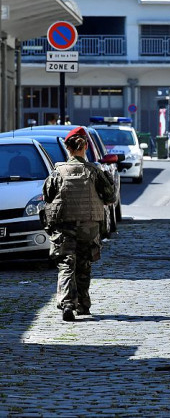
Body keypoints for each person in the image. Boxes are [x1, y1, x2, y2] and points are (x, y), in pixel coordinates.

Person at [43, 127, 116, 321]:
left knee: (67, 264)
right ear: (85, 148)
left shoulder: (57, 172)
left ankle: (67, 303)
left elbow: (48, 196)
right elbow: (110, 196)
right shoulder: (94, 171)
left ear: (68, 149)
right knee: (84, 264)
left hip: (64, 226)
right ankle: (83, 305)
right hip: (89, 226)